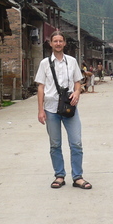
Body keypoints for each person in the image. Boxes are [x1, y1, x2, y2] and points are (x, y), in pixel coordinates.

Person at [35, 31, 92, 190]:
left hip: (69, 108)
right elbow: (41, 87)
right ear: (51, 43)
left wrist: (77, 92)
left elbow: (78, 82)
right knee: (55, 144)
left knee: (76, 143)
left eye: (61, 41)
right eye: (55, 41)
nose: (58, 44)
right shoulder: (44, 64)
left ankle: (77, 177)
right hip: (51, 108)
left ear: (64, 43)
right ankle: (59, 175)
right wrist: (41, 110)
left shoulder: (72, 61)